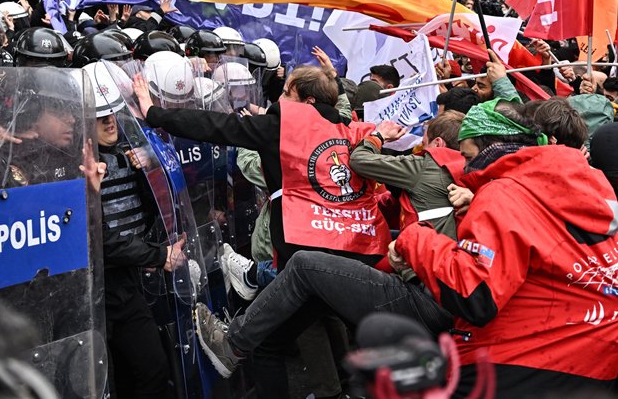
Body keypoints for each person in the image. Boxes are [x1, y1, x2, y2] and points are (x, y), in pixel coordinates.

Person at [194, 97, 618, 398]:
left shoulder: (491, 187)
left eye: (466, 154)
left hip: (457, 318)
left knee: (306, 265)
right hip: (570, 355)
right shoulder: (579, 186)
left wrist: (412, 238)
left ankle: (232, 344)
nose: (463, 166)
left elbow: (474, 293)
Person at [132, 65, 391, 398]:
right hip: (359, 254)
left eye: (286, 94)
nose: (278, 101)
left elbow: (216, 127)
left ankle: (241, 327)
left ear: (307, 101)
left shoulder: (283, 127)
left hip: (306, 255)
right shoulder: (354, 129)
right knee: (324, 325)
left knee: (269, 343)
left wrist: (154, 113)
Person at [83, 62, 176, 398]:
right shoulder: (75, 167)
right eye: (100, 116)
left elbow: (149, 215)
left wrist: (145, 174)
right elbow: (98, 239)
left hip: (130, 282)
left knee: (153, 369)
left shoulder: (128, 158)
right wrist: (157, 255)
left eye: (113, 113)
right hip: (95, 287)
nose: (110, 122)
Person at [350, 110, 467, 240]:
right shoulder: (475, 170)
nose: (420, 149)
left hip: (425, 252)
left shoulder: (424, 167)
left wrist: (378, 136)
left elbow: (359, 160)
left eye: (424, 144)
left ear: (438, 143)